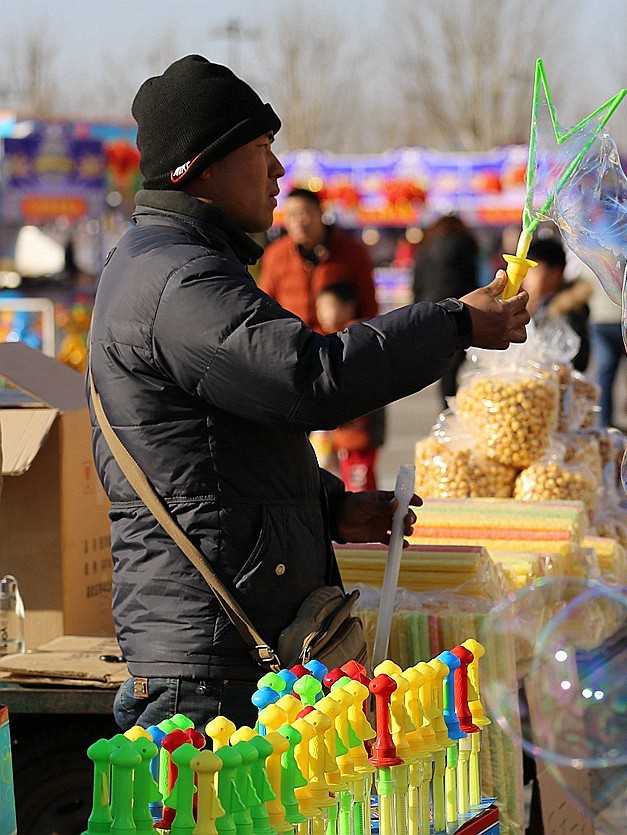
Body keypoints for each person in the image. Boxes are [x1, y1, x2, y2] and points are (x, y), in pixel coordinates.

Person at [87, 55, 530, 732]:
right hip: (207, 665)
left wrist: (328, 508)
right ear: (201, 168)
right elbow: (309, 378)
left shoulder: (179, 263)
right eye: (261, 150)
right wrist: (457, 322)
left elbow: (217, 453)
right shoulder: (179, 281)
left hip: (223, 643)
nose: (278, 172)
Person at [258, 187, 378, 330]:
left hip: (338, 343)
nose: (297, 221)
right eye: (290, 215)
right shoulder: (276, 254)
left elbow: (369, 309)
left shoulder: (353, 253)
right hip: (292, 343)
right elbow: (264, 304)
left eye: (303, 213)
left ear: (321, 212)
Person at [311, 282, 387, 491]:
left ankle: (371, 523)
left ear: (347, 307)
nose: (323, 314)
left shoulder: (355, 340)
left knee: (359, 487)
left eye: (329, 307)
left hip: (358, 434)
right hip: (336, 436)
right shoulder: (323, 339)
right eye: (319, 308)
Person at [411, 214, 481, 407]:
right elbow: (472, 282)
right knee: (456, 363)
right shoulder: (467, 247)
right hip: (460, 310)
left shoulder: (425, 249)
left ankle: (448, 408)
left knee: (444, 363)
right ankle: (453, 407)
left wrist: (416, 312)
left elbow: (417, 284)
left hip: (430, 310)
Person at [523, 236, 592, 371]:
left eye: (533, 271)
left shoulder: (569, 310)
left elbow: (579, 360)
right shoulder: (537, 305)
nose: (526, 278)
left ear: (555, 273)